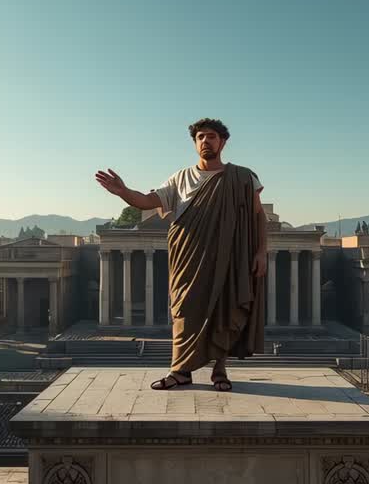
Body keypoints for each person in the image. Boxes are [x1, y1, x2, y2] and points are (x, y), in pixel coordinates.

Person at [94, 118, 266, 391]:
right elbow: (148, 201)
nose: (205, 141)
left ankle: (220, 371)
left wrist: (261, 252)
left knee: (223, 310)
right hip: (188, 256)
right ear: (194, 142)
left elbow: (258, 217)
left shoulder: (243, 176)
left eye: (211, 136)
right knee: (184, 312)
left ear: (223, 142)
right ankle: (180, 372)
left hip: (229, 256)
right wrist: (123, 192)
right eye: (200, 137)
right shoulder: (180, 178)